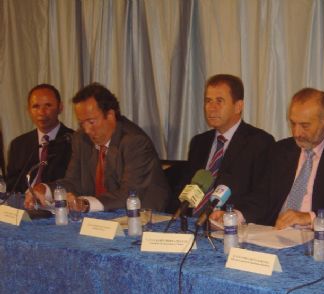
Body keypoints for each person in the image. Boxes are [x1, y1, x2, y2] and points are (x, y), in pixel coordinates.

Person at [25, 83, 170, 212]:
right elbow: (73, 181)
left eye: (91, 122)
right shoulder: (81, 139)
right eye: (82, 123)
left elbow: (129, 193)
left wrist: (86, 203)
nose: (87, 130)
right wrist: (44, 189)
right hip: (102, 216)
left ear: (111, 115)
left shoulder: (135, 141)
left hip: (143, 216)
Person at [238, 87, 324, 228]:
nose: (296, 133)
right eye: (293, 123)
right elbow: (262, 197)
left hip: (318, 237)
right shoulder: (280, 150)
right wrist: (235, 216)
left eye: (305, 125)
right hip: (275, 233)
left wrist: (310, 217)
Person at [180, 74, 274, 215]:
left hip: (230, 226)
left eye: (219, 101)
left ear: (238, 106)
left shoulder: (259, 143)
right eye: (208, 101)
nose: (212, 108)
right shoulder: (199, 142)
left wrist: (231, 216)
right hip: (191, 223)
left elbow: (262, 197)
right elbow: (187, 187)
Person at [6, 84, 73, 193]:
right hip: (24, 205)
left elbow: (75, 182)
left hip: (59, 204)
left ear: (60, 108)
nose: (41, 112)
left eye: (48, 105)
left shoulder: (74, 140)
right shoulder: (18, 144)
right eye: (35, 106)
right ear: (28, 110)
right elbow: (11, 184)